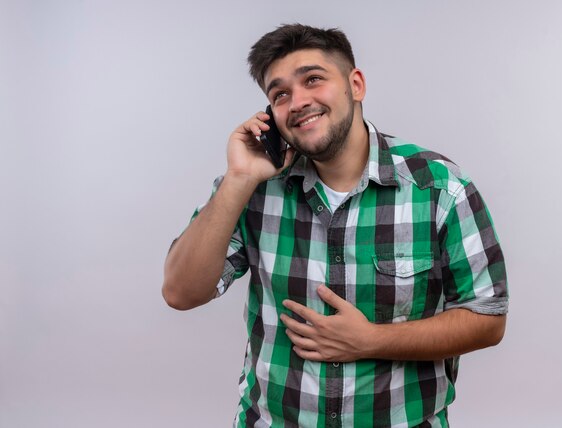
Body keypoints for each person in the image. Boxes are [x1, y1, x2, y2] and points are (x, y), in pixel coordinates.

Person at [162, 23, 508, 428]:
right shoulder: (252, 188)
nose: (298, 102)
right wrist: (238, 178)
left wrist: (371, 341)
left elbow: (488, 317)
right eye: (280, 94)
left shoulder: (440, 188)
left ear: (355, 84)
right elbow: (180, 292)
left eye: (313, 79)